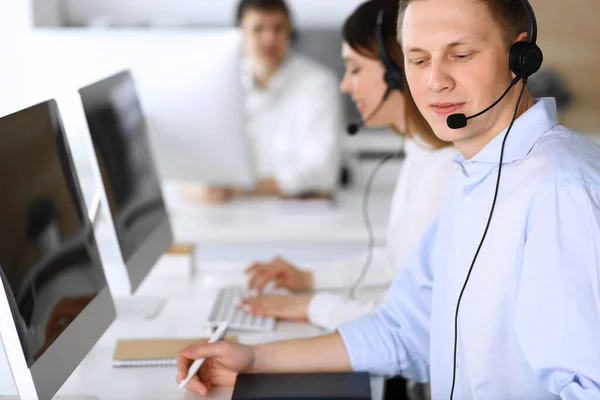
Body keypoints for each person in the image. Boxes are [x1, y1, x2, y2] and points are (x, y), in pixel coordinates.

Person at [176, 0, 600, 398]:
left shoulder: (561, 192)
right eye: (417, 59)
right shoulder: (472, 176)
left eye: (460, 54)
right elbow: (407, 329)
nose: (435, 81)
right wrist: (254, 358)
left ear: (518, 58)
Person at [240, 0, 456, 339]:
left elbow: (406, 327)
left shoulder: (444, 169)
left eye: (354, 69)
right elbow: (397, 261)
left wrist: (307, 306)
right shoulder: (420, 151)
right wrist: (307, 279)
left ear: (395, 71)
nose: (344, 85)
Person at [199, 0, 343, 202]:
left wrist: (242, 188)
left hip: (296, 217)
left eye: (278, 28)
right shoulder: (217, 84)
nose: (269, 39)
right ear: (239, 34)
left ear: (291, 33)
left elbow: (322, 173)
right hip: (232, 213)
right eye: (258, 29)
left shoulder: (318, 84)